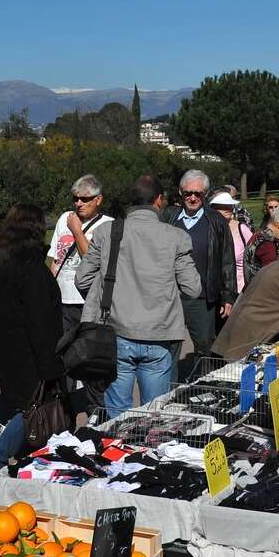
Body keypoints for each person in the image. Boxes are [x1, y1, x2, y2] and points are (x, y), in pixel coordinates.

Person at [75, 175, 201, 416]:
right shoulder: (176, 237)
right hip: (159, 334)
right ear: (159, 201)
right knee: (153, 414)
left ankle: (117, 451)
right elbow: (193, 288)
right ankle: (145, 451)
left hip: (116, 332)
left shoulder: (107, 232)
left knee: (117, 416)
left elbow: (81, 279)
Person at [0, 204, 64, 474]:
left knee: (28, 403)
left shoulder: (0, 259)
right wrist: (50, 361)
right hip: (31, 347)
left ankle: (27, 456)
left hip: (8, 341)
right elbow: (39, 317)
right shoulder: (31, 266)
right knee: (35, 406)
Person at [161, 170, 237, 379]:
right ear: (180, 192)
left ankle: (202, 389)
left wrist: (228, 296)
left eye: (198, 193)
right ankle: (168, 392)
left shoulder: (216, 221)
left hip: (203, 298)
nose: (192, 198)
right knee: (168, 349)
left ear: (205, 194)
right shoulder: (168, 217)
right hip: (171, 296)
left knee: (205, 347)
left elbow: (227, 260)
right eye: (188, 193)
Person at [48, 174, 112, 412]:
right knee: (64, 359)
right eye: (75, 198)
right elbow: (56, 258)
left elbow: (94, 262)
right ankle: (64, 409)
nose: (79, 204)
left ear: (99, 200)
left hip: (88, 303)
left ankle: (97, 410)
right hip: (63, 300)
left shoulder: (107, 225)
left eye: (85, 199)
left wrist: (77, 232)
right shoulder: (65, 218)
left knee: (91, 359)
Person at [209, 191, 252, 294]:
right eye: (222, 206)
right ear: (213, 208)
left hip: (241, 290)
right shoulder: (208, 229)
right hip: (216, 290)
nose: (228, 209)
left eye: (229, 205)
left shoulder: (242, 229)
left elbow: (255, 253)